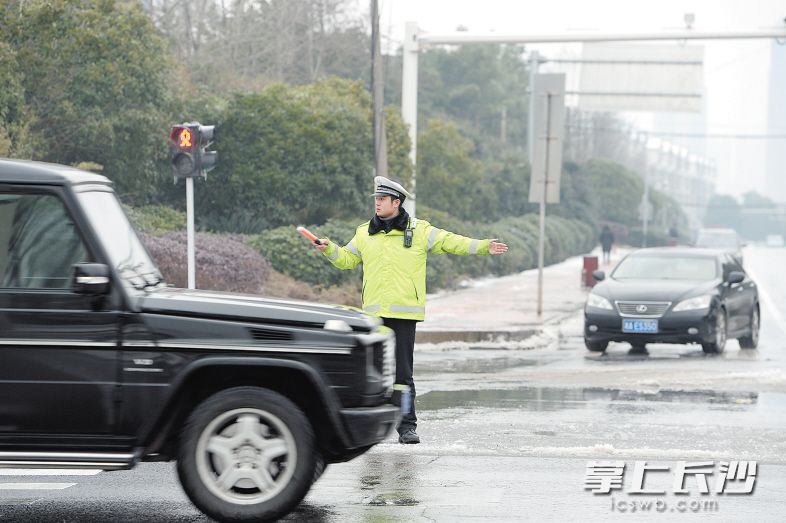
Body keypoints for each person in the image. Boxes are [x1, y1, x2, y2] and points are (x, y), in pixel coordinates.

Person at [313, 176, 508, 444]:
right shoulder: (364, 232)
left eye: (382, 200)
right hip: (373, 315)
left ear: (397, 202)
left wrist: (484, 246)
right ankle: (370, 426)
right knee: (371, 371)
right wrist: (329, 249)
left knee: (402, 375)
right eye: (376, 200)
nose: (377, 204)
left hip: (404, 315)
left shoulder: (420, 231)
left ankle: (406, 426)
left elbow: (453, 242)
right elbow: (347, 260)